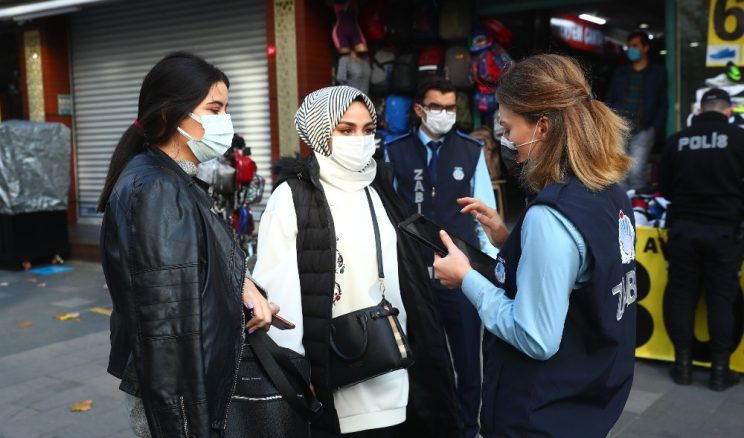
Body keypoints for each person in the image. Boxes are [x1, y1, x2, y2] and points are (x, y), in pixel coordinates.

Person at [433, 54, 637, 437]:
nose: (506, 141)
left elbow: (535, 336)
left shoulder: (551, 216)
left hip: (539, 413)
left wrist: (467, 279)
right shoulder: (612, 194)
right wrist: (511, 242)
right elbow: (580, 276)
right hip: (588, 402)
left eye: (509, 128)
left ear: (542, 127)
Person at [251, 85, 461, 437]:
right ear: (319, 132)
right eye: (345, 130)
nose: (359, 140)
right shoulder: (292, 198)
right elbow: (279, 299)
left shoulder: (379, 187)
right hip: (338, 379)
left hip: (398, 371)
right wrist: (298, 379)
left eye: (367, 130)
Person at [98, 52, 278, 438]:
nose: (225, 120)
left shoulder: (171, 179)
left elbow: (194, 276)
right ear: (169, 114)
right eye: (214, 108)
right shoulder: (158, 189)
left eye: (226, 109)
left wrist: (243, 290)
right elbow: (167, 328)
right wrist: (187, 423)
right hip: (180, 400)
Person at [384, 75, 498, 438]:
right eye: (437, 107)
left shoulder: (470, 151)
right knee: (418, 357)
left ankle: (467, 428)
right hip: (413, 274)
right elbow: (389, 214)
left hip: (462, 271)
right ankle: (424, 425)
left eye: (450, 107)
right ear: (419, 110)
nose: (445, 114)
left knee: (468, 360)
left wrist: (490, 267)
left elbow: (486, 214)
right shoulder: (395, 150)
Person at [660, 88, 744, 391]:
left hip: (684, 230)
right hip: (725, 232)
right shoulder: (738, 139)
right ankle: (720, 372)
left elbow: (665, 189)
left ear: (699, 110)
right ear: (728, 111)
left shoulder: (677, 141)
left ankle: (682, 367)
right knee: (722, 299)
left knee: (682, 295)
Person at [606, 29, 668, 190]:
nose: (631, 49)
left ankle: (638, 210)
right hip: (620, 128)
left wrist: (655, 128)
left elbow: (663, 103)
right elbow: (610, 99)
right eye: (629, 46)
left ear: (645, 48)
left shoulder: (657, 73)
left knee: (636, 173)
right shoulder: (620, 73)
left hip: (643, 128)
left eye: (635, 45)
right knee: (618, 174)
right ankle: (621, 211)